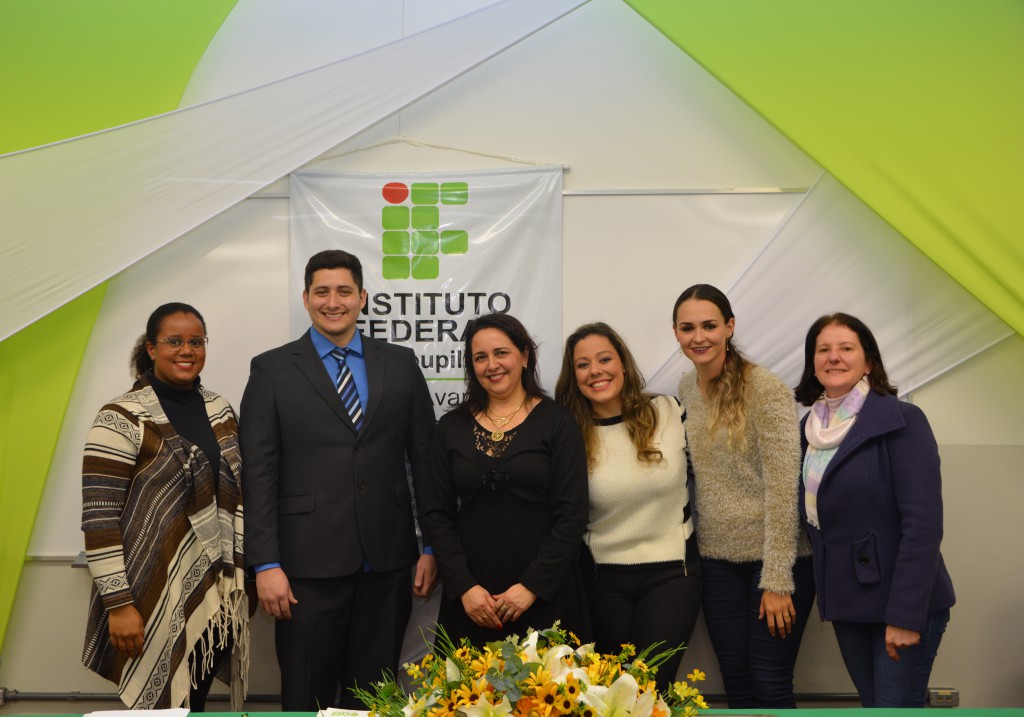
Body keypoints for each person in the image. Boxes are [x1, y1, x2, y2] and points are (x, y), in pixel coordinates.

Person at [240, 249, 437, 710]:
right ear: (305, 298)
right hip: (304, 569)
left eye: (344, 291)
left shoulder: (400, 363)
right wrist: (265, 564)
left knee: (373, 699)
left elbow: (426, 460)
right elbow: (259, 473)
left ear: (362, 297)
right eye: (322, 292)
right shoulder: (272, 369)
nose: (334, 302)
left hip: (386, 564)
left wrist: (430, 546)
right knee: (305, 695)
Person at [81, 303, 248, 710]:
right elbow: (99, 517)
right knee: (162, 710)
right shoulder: (120, 416)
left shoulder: (220, 409)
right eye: (174, 341)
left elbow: (239, 498)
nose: (186, 350)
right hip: (147, 596)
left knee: (195, 703)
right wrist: (119, 605)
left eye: (196, 341)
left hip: (214, 596)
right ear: (152, 349)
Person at [795, 313, 954, 707]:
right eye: (823, 349)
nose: (833, 357)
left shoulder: (902, 420)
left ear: (868, 362)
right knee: (874, 708)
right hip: (848, 602)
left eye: (846, 348)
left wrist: (905, 615)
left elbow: (923, 526)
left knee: (893, 710)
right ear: (813, 362)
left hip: (900, 604)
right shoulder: (809, 430)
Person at [672, 284, 813, 708]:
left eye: (709, 325)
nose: (699, 337)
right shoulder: (686, 387)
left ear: (729, 327)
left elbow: (785, 486)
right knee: (736, 682)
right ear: (676, 333)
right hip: (717, 560)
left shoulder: (765, 388)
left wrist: (777, 580)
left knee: (771, 684)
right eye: (687, 328)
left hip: (775, 562)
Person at [421, 312, 589, 646]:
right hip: (472, 601)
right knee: (469, 682)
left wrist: (531, 587)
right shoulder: (451, 427)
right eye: (480, 357)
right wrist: (464, 587)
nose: (491, 365)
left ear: (524, 355)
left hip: (546, 594)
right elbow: (436, 513)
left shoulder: (558, 421)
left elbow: (573, 514)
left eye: (501, 353)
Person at [555, 322, 700, 692]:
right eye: (583, 365)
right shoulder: (568, 432)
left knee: (649, 691)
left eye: (604, 359)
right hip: (602, 581)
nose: (595, 371)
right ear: (574, 376)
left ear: (623, 363)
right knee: (610, 696)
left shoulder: (669, 410)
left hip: (673, 573)